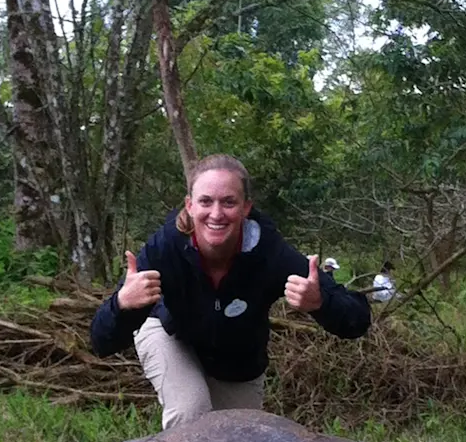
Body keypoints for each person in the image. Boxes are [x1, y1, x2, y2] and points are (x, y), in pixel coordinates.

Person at [90, 154, 370, 428]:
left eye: (228, 202)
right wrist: (123, 304)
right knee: (192, 412)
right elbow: (101, 342)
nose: (216, 214)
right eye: (205, 201)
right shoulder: (165, 248)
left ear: (246, 208)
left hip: (238, 361)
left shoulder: (270, 253)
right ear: (189, 205)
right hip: (169, 332)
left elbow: (357, 320)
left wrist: (320, 303)